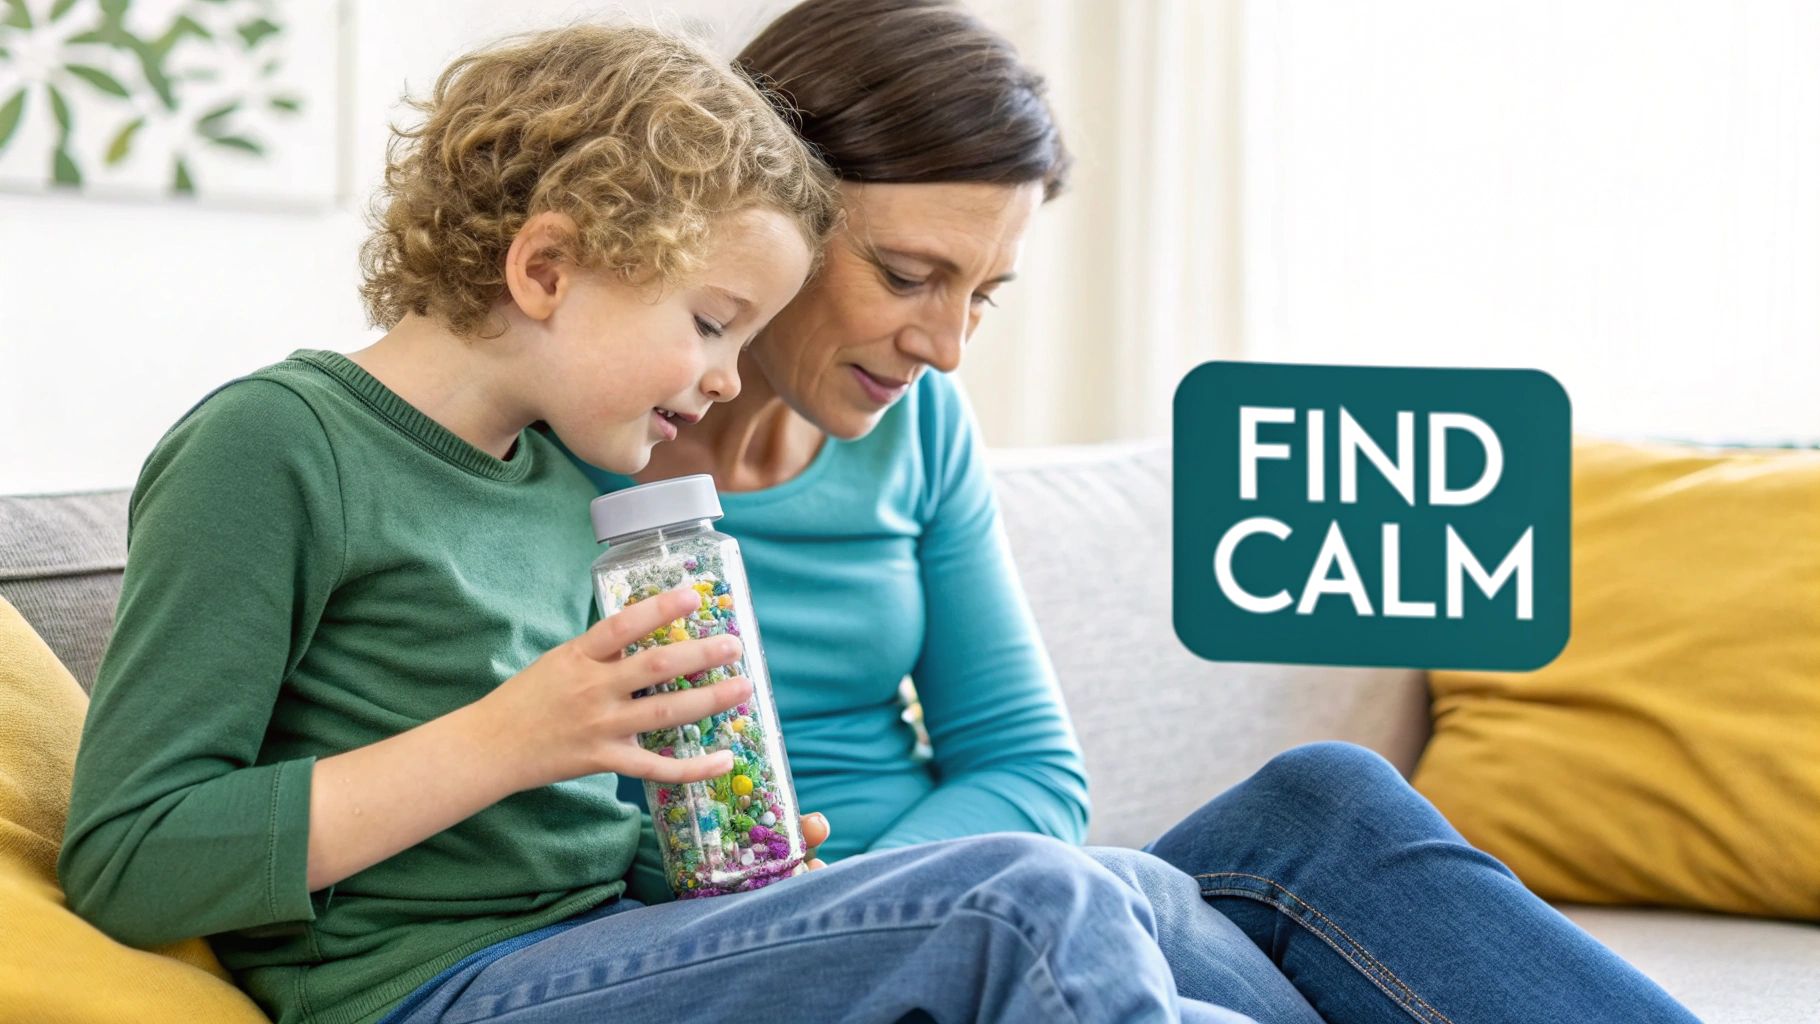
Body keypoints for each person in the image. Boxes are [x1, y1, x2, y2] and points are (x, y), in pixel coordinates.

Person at [56, 20, 1316, 1024]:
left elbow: (594, 849)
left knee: (1135, 886)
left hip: (613, 949)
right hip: (429, 988)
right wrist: (509, 737)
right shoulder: (276, 448)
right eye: (712, 323)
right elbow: (130, 861)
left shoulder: (566, 486)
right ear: (543, 268)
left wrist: (736, 861)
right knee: (1025, 905)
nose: (724, 378)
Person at [562, 2, 1707, 1022]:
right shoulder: (579, 439)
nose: (946, 347)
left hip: (988, 892)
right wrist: (859, 903)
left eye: (982, 295)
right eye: (909, 277)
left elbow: (1026, 767)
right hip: (756, 935)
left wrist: (910, 879)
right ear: (764, 213)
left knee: (1327, 796)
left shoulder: (916, 432)